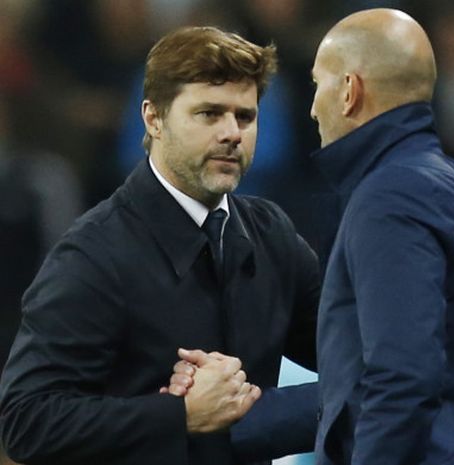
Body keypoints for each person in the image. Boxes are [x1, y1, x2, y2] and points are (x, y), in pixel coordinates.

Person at [0, 26, 320, 465]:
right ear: (153, 118)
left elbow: (356, 359)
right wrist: (180, 414)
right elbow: (26, 420)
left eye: (245, 116)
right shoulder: (94, 255)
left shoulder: (272, 235)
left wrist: (256, 413)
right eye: (209, 113)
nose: (232, 133)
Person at [308, 8, 454, 465]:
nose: (312, 107)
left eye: (317, 84)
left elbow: (404, 377)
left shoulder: (389, 196)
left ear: (349, 91)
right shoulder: (447, 181)